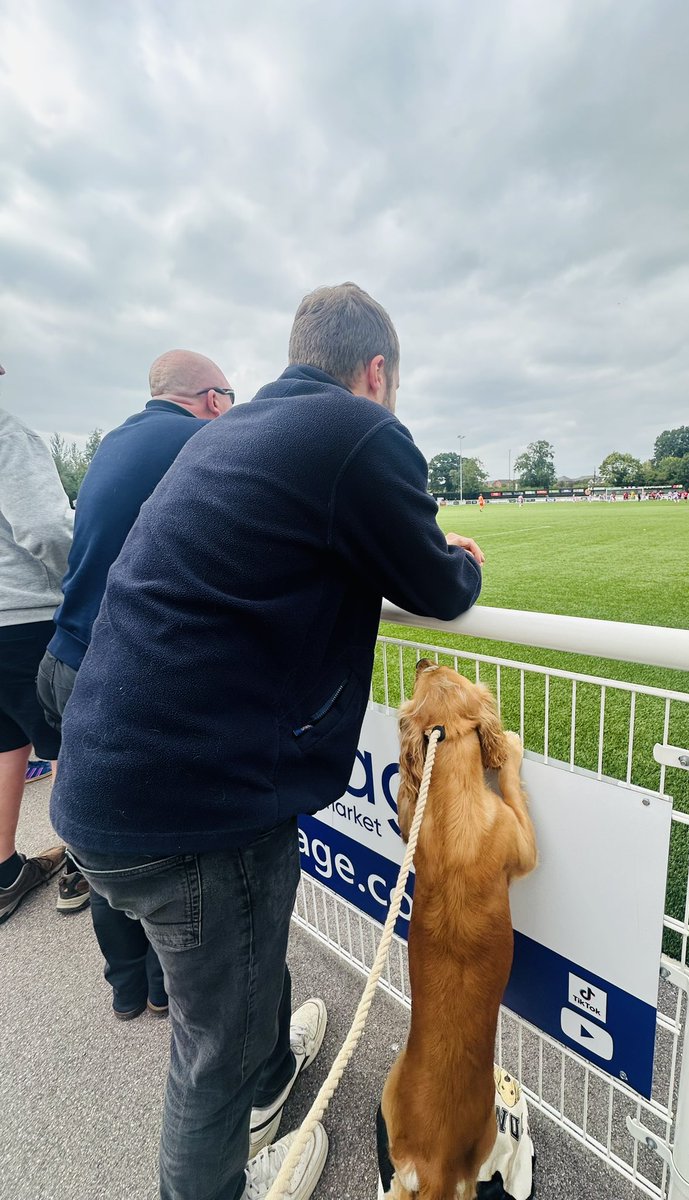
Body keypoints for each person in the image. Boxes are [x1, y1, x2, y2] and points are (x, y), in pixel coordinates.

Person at [51, 283, 485, 1200]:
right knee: (212, 1054)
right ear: (376, 371)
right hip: (188, 813)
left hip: (99, 786)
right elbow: (438, 586)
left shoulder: (227, 432)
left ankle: (265, 1063)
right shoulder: (360, 432)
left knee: (232, 981)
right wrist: (464, 561)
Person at [36, 350, 234, 1017]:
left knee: (100, 834)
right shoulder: (204, 441)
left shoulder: (119, 439)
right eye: (230, 398)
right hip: (116, 673)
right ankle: (163, 990)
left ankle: (128, 985)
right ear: (212, 400)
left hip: (63, 658)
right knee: (153, 844)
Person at [0, 361, 72, 923]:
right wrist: (80, 579)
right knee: (72, 743)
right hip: (24, 621)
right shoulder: (10, 437)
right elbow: (48, 530)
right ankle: (83, 865)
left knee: (5, 741)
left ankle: (5, 873)